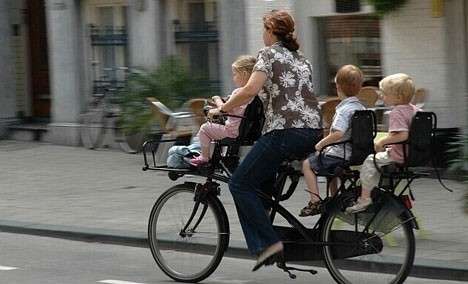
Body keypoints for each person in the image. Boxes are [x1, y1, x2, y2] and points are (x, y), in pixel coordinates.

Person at [208, 10, 322, 271]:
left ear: (271, 31)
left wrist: (223, 108)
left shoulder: (268, 54)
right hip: (313, 131)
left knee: (239, 184)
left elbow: (250, 88)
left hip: (284, 132)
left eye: (264, 30)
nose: (263, 35)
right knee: (260, 184)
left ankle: (270, 244)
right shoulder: (302, 59)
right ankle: (268, 241)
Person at [346, 73, 421, 214]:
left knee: (369, 161)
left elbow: (403, 134)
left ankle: (365, 198)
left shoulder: (396, 112)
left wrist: (383, 141)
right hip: (413, 153)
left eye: (385, 94)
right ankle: (382, 192)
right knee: (379, 160)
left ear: (398, 97)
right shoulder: (416, 110)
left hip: (398, 155)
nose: (381, 96)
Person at [299, 65, 366, 217]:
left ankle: (314, 201)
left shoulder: (344, 110)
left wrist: (321, 143)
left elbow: (337, 133)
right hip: (353, 153)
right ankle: (335, 198)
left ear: (338, 87)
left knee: (307, 164)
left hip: (339, 153)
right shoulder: (361, 108)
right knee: (332, 169)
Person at [189, 55, 257, 166]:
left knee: (204, 128)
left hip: (232, 131)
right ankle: (224, 158)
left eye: (235, 74)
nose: (233, 78)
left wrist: (216, 99)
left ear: (244, 74)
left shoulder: (239, 92)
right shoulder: (254, 93)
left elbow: (224, 108)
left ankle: (204, 157)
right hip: (247, 131)